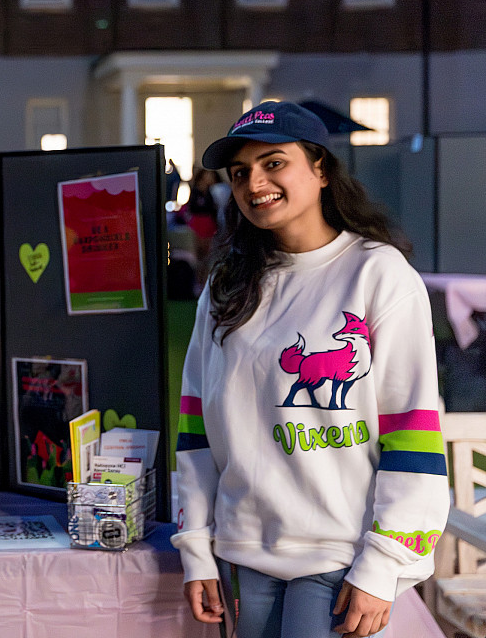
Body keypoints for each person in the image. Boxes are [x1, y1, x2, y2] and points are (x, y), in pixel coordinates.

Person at [172, 101, 448, 638]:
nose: (256, 182)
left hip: (340, 552)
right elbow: (196, 427)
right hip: (244, 550)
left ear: (320, 169)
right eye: (240, 172)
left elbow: (412, 430)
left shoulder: (378, 274)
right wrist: (197, 547)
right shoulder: (228, 285)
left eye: (274, 163)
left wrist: (384, 559)